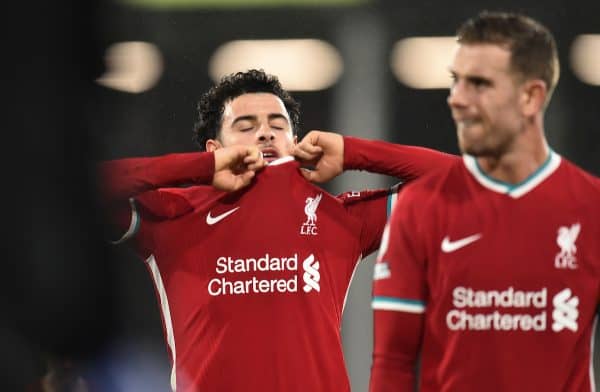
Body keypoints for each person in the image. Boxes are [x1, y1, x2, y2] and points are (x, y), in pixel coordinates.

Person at [99, 69, 452, 391]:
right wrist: (201, 168)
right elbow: (83, 186)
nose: (265, 132)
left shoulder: (340, 217)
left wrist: (352, 152)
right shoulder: (174, 214)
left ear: (294, 140)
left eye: (277, 124)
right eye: (246, 125)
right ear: (215, 148)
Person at [368, 11, 600, 391]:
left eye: (479, 84)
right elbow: (393, 364)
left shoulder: (591, 208)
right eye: (456, 81)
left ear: (530, 97)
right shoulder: (419, 207)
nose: (456, 99)